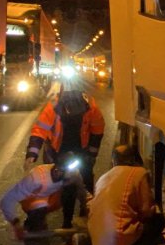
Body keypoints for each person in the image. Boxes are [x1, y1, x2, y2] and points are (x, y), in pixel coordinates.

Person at [24, 80, 105, 228]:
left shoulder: (90, 107)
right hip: (58, 150)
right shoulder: (52, 108)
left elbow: (98, 129)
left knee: (86, 177)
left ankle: (88, 209)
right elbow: (39, 130)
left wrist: (92, 154)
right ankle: (65, 221)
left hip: (81, 148)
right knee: (64, 184)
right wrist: (32, 153)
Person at [74, 145, 164, 245]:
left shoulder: (103, 178)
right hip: (122, 244)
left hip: (100, 244)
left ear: (114, 160)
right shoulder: (139, 172)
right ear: (133, 159)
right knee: (158, 221)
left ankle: (87, 242)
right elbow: (146, 211)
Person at [0, 153, 84, 238]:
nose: (72, 175)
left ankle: (66, 224)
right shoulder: (35, 179)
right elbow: (6, 200)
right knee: (39, 208)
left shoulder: (72, 174)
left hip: (51, 200)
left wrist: (85, 204)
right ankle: (33, 231)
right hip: (33, 203)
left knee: (71, 188)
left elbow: (81, 188)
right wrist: (16, 223)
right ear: (58, 170)